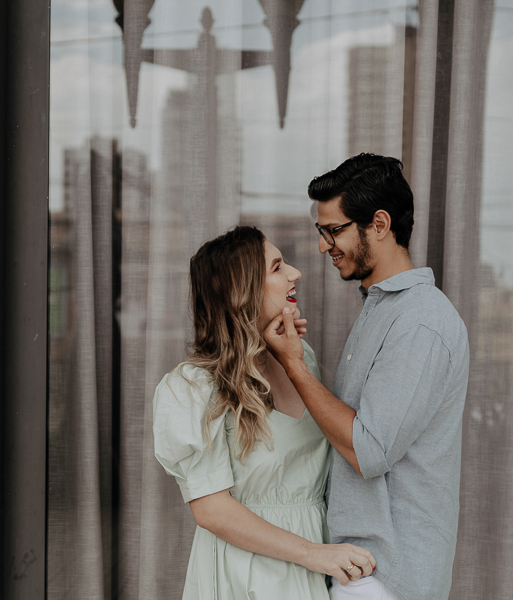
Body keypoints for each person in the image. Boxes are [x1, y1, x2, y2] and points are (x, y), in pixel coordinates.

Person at [264, 154, 470, 600]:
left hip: (387, 576)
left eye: (333, 230)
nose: (324, 246)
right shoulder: (384, 309)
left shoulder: (420, 321)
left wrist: (293, 364)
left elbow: (368, 450)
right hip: (363, 569)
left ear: (379, 224)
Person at [152, 226, 376, 600]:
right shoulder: (192, 387)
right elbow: (212, 511)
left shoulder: (300, 359)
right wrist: (313, 554)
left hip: (316, 563)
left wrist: (290, 358)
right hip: (247, 572)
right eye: (277, 267)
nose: (295, 273)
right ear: (242, 291)